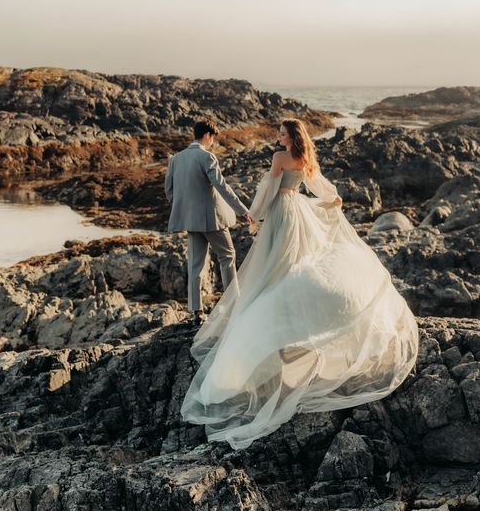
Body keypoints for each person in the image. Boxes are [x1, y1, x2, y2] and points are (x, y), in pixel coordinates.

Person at [180, 118, 419, 450]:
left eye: (281, 133)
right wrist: (333, 199)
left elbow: (268, 191)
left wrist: (254, 214)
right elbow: (318, 184)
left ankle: (277, 307)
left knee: (276, 263)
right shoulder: (305, 158)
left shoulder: (279, 159)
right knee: (297, 260)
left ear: (291, 137)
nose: (277, 137)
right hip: (298, 210)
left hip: (282, 211)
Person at [165, 119, 254, 320]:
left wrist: (185, 208)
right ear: (207, 135)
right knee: (228, 256)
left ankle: (196, 311)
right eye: (212, 138)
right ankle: (234, 304)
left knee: (195, 265)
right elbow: (222, 186)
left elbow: (169, 191)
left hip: (190, 220)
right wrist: (242, 210)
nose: (212, 142)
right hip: (212, 219)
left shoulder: (176, 159)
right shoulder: (207, 157)